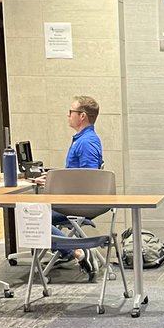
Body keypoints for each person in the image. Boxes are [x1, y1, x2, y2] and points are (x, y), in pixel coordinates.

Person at [48, 95, 104, 280]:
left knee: (33, 217)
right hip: (73, 200)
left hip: (79, 203)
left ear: (82, 116)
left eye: (71, 112)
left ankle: (77, 252)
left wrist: (54, 183)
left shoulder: (86, 143)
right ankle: (67, 252)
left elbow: (88, 181)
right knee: (35, 214)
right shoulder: (83, 139)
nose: (68, 115)